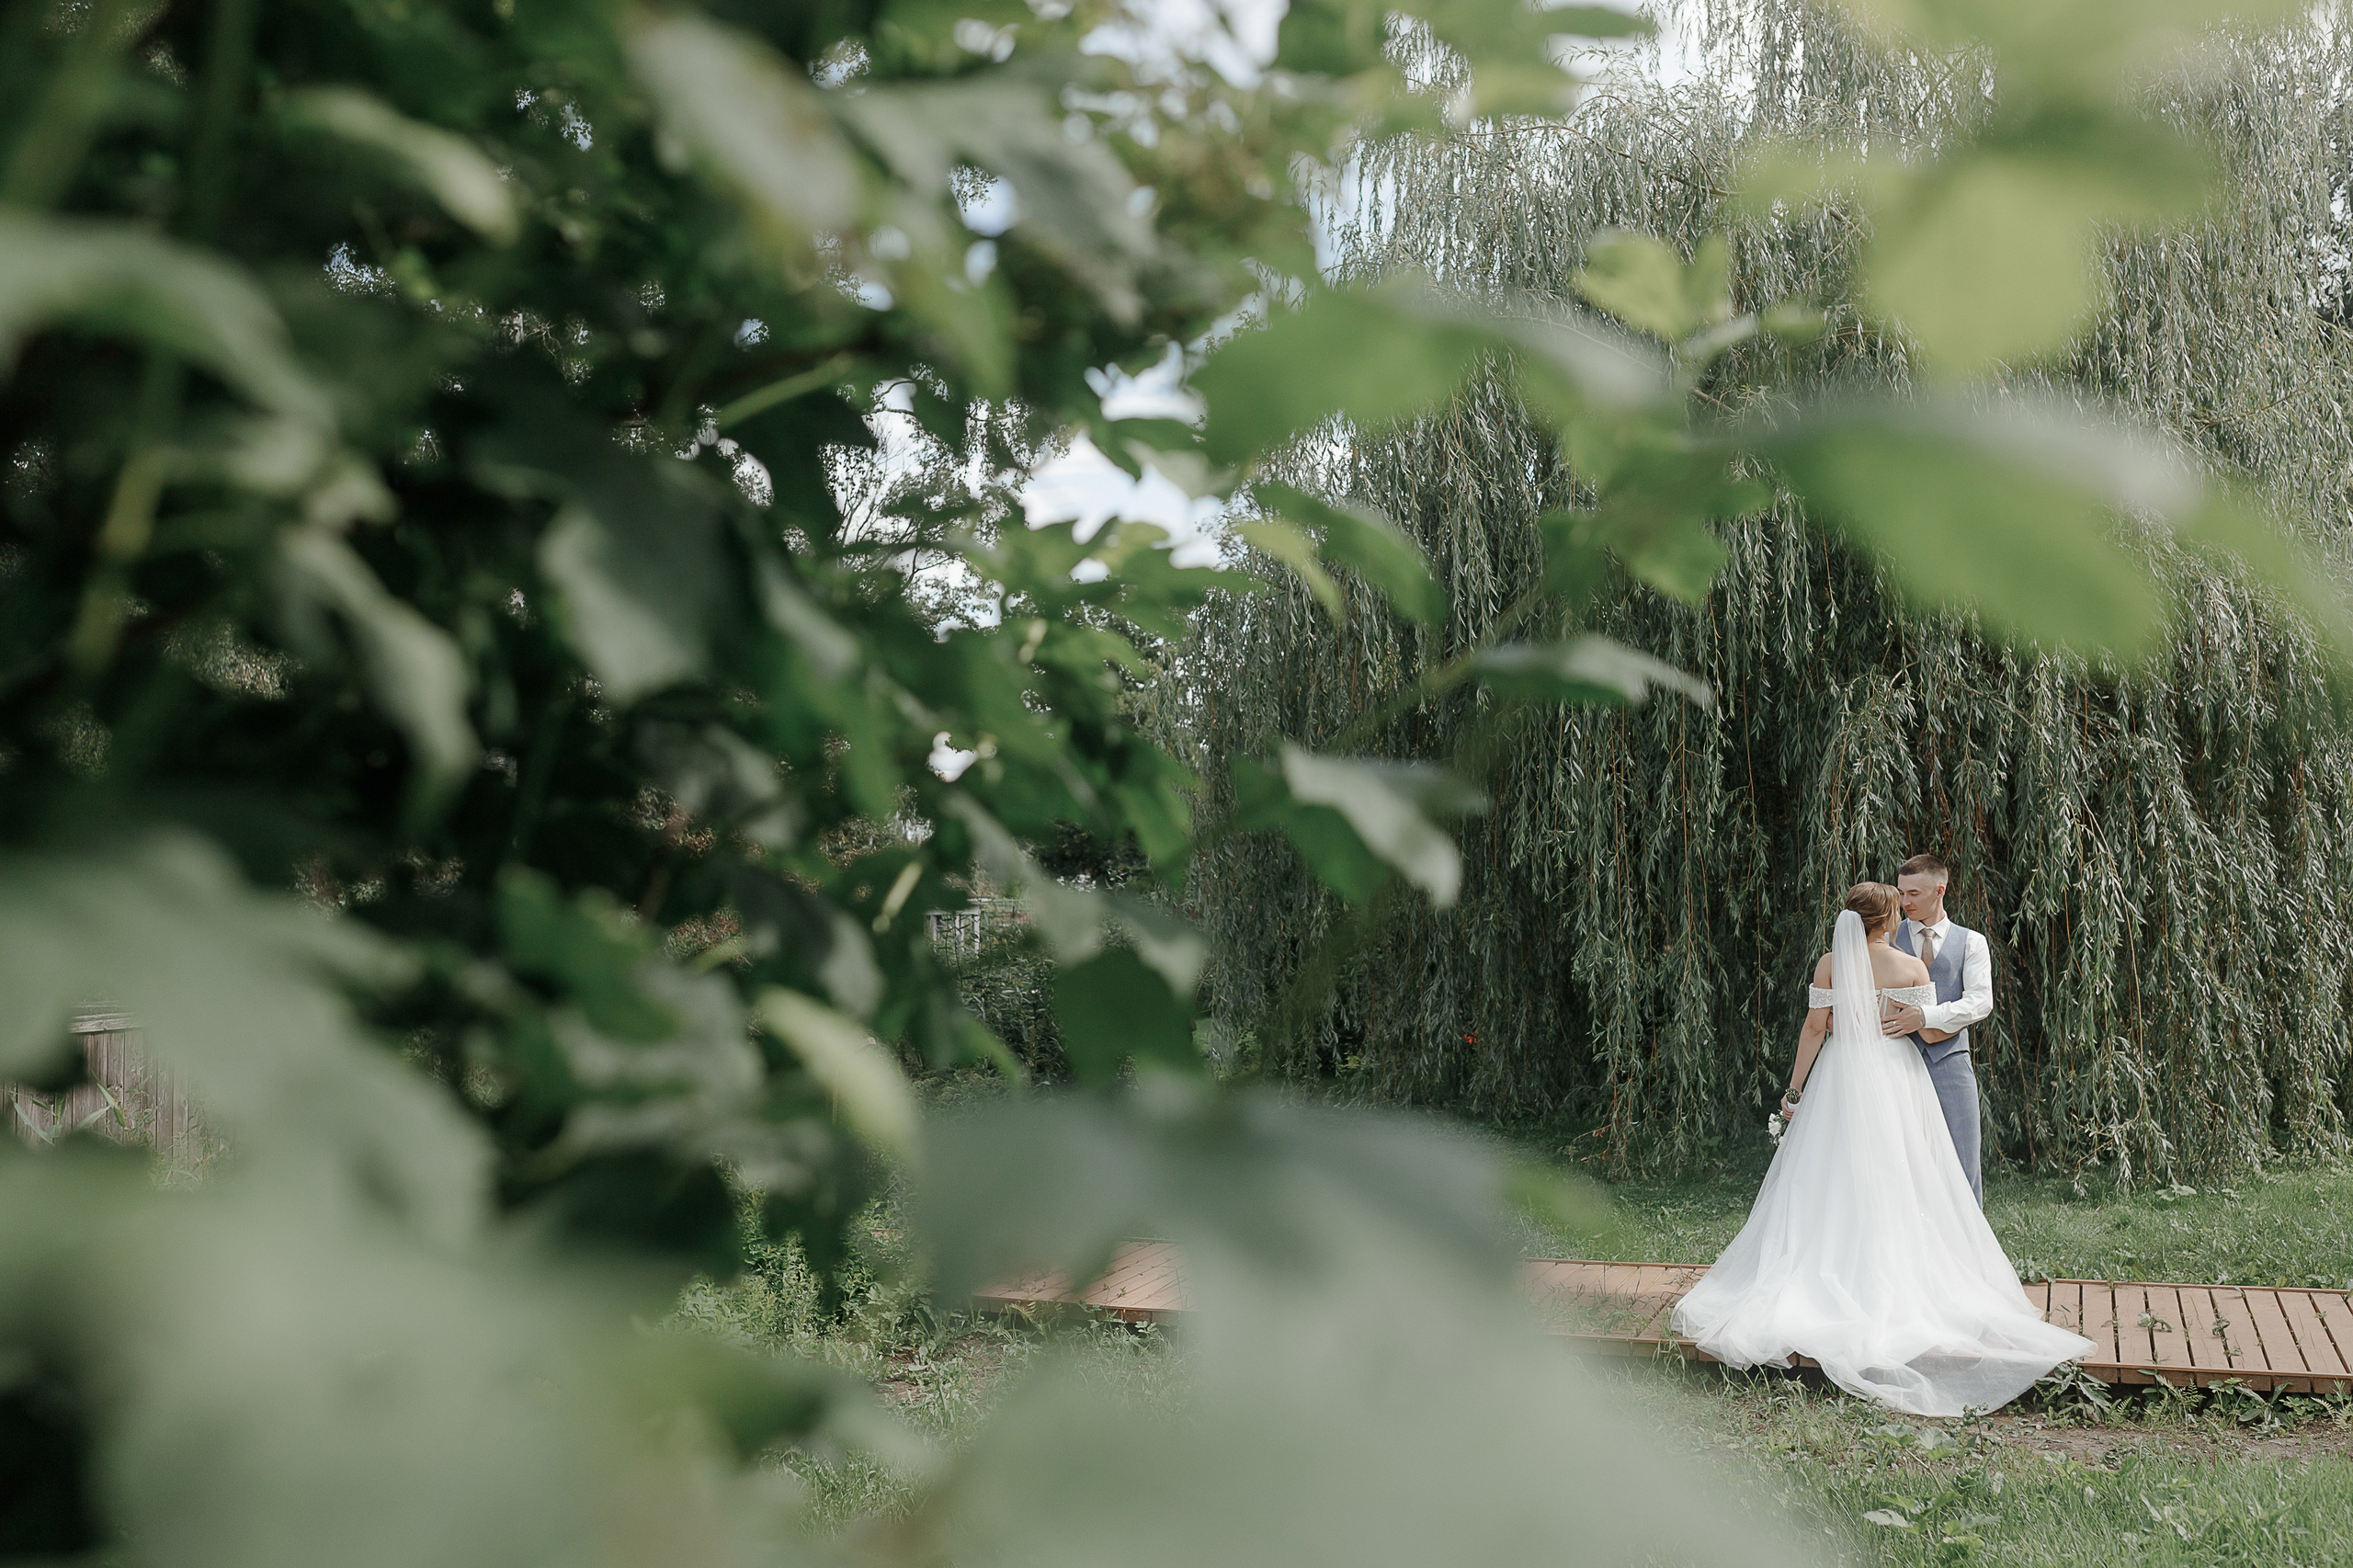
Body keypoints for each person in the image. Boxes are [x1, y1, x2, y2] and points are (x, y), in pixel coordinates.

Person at [1670, 882, 2091, 1416]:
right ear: (1888, 918)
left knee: (1826, 1175)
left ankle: (1829, 1263)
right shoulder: (1912, 969)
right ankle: (1900, 1269)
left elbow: (1814, 1029)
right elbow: (1926, 1030)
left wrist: (1795, 1093)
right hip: (1895, 1076)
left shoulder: (1829, 966)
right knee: (1903, 1171)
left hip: (1839, 1076)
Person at [1878, 852, 1992, 1205]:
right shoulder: (1885, 938)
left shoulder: (1971, 942)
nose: (1904, 902)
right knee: (1898, 1160)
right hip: (1894, 1062)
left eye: (1914, 893)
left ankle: (1971, 1252)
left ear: (1939, 890)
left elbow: (1980, 1001)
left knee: (1962, 1156)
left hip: (1949, 1063)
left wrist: (1925, 1017)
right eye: (1901, 893)